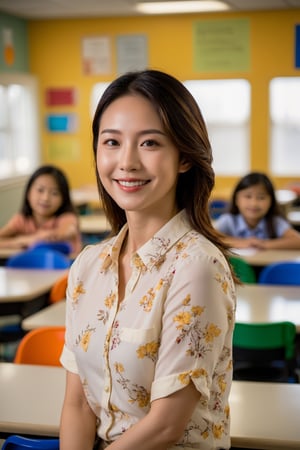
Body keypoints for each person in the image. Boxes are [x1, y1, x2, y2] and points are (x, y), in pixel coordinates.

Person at [59, 69, 236, 450]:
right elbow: (78, 404)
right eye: (111, 142)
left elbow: (165, 427)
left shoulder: (196, 266)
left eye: (150, 143)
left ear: (185, 156)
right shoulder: (88, 266)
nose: (127, 162)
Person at [0, 164, 82, 255]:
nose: (45, 198)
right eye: (40, 190)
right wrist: (20, 241)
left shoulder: (67, 217)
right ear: (28, 193)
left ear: (64, 198)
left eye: (55, 193)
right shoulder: (21, 220)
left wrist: (33, 239)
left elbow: (67, 231)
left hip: (67, 267)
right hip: (29, 268)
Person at [214, 171, 300, 249]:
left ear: (271, 202)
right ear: (236, 199)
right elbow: (209, 238)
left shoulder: (275, 222)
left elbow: (297, 241)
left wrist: (263, 244)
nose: (254, 203)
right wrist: (243, 243)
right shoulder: (228, 220)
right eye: (248, 196)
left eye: (261, 197)